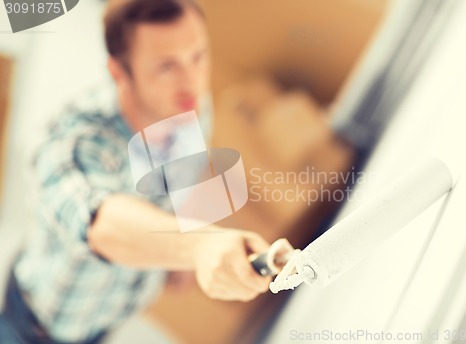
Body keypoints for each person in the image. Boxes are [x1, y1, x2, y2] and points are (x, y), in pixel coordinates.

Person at [0, 0, 271, 343]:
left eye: (199, 55)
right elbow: (101, 222)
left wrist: (186, 232)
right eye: (166, 66)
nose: (192, 79)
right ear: (119, 72)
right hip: (35, 330)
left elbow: (191, 167)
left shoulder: (190, 104)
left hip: (108, 317)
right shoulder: (69, 142)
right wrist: (198, 247)